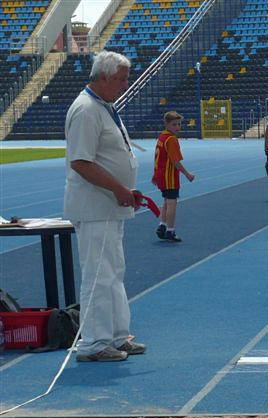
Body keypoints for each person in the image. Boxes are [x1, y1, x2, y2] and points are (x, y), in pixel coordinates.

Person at [63, 50, 145, 362]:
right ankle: (94, 344)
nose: (126, 84)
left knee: (114, 271)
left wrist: (125, 190)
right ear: (107, 77)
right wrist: (118, 188)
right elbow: (81, 162)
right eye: (123, 79)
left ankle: (116, 336)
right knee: (98, 275)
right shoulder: (86, 110)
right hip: (95, 207)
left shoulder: (105, 107)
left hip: (110, 206)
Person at [152, 111, 195, 242]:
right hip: (168, 176)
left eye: (179, 124)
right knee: (172, 203)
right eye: (174, 124)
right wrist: (187, 174)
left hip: (160, 174)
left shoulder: (162, 137)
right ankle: (171, 230)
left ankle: (162, 225)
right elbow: (175, 161)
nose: (177, 127)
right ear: (166, 124)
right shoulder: (171, 140)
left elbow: (158, 158)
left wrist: (155, 174)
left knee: (166, 201)